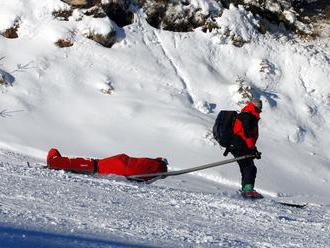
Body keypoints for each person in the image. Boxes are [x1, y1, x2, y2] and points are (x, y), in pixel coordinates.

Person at [47, 148, 168, 182]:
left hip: (117, 164)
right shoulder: (155, 168)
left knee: (95, 165)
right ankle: (56, 161)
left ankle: (56, 161)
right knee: (95, 165)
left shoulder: (154, 166)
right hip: (119, 165)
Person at [230, 98, 263, 198]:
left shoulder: (247, 114)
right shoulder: (248, 115)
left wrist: (254, 149)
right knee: (249, 167)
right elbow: (247, 134)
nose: (260, 111)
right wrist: (251, 148)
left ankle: (246, 189)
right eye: (259, 108)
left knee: (247, 167)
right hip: (240, 145)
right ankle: (248, 190)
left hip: (239, 145)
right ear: (256, 107)